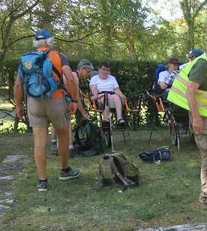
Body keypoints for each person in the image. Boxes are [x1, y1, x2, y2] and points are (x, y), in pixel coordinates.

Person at [168, 34, 207, 207]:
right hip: (201, 118)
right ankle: (206, 196)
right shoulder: (203, 64)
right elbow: (190, 91)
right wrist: (196, 117)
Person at [14, 29, 81, 192]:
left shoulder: (26, 58)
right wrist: (74, 100)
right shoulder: (58, 56)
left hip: (34, 102)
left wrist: (18, 105)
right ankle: (64, 169)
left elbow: (18, 85)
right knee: (63, 134)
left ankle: (42, 181)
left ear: (35, 42)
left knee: (39, 141)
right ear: (50, 41)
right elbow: (70, 79)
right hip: (56, 100)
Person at [51, 59, 93, 155]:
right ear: (81, 69)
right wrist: (83, 113)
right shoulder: (74, 77)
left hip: (53, 98)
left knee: (57, 122)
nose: (88, 74)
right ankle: (69, 149)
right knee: (67, 122)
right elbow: (76, 99)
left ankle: (55, 145)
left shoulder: (72, 75)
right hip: (60, 99)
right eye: (88, 72)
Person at [89, 61, 127, 126]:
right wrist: (94, 96)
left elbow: (116, 89)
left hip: (112, 95)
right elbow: (94, 89)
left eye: (107, 70)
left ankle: (119, 118)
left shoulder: (112, 78)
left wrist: (121, 95)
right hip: (101, 95)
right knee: (105, 98)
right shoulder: (94, 78)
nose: (105, 72)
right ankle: (105, 119)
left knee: (117, 97)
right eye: (103, 69)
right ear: (99, 69)